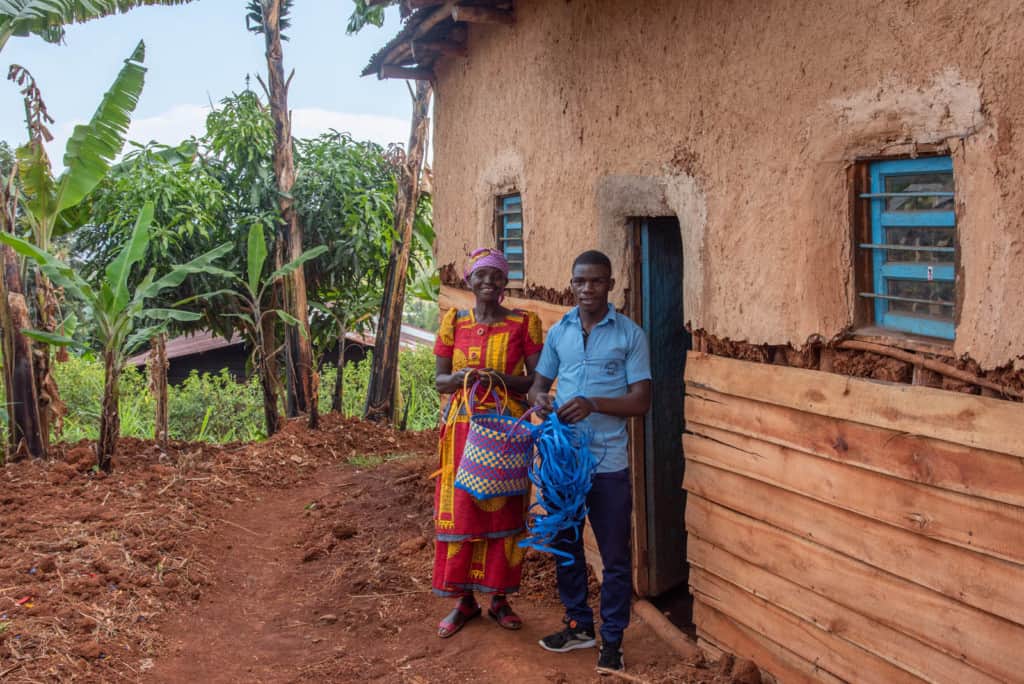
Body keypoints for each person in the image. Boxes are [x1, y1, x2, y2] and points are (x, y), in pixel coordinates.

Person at [528, 250, 651, 675]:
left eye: (596, 281)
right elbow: (538, 386)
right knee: (565, 545)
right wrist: (541, 400)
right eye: (580, 281)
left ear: (610, 285)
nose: (587, 289)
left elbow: (642, 401)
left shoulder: (629, 335)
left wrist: (594, 402)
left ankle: (612, 640)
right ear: (572, 284)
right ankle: (580, 624)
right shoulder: (560, 332)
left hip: (607, 464)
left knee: (615, 556)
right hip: (564, 462)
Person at [431, 247, 545, 638]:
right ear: (469, 280)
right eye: (481, 275)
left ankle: (499, 599)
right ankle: (464, 602)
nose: (488, 282)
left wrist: (496, 377)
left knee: (504, 509)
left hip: (505, 432)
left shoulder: (523, 323)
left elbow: (535, 381)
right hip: (460, 431)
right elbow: (440, 380)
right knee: (462, 510)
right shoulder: (453, 322)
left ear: (504, 282)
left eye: (496, 275)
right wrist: (470, 377)